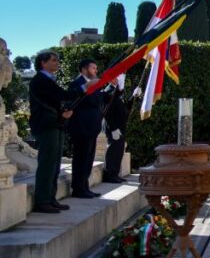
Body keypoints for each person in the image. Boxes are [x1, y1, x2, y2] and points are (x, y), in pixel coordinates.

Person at [28, 52, 75, 213]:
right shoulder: (40, 80)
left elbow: (58, 100)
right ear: (43, 63)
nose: (57, 63)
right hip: (46, 125)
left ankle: (50, 198)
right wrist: (84, 87)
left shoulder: (49, 80)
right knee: (47, 163)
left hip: (56, 125)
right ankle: (42, 200)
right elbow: (58, 97)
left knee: (55, 164)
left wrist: (64, 113)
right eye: (53, 60)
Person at [67, 58, 111, 199]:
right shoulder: (77, 84)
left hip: (92, 128)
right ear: (84, 69)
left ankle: (84, 187)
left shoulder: (95, 84)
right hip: (81, 128)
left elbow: (101, 100)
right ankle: (78, 188)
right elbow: (78, 102)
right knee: (81, 158)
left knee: (88, 159)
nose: (96, 71)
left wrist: (113, 87)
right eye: (93, 68)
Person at [102, 75, 132, 183]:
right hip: (113, 126)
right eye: (117, 76)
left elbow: (125, 108)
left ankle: (115, 173)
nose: (120, 78)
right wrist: (113, 128)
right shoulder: (108, 91)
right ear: (110, 79)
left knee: (119, 150)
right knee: (113, 150)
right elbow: (107, 112)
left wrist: (133, 97)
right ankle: (109, 174)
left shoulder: (119, 91)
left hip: (121, 125)